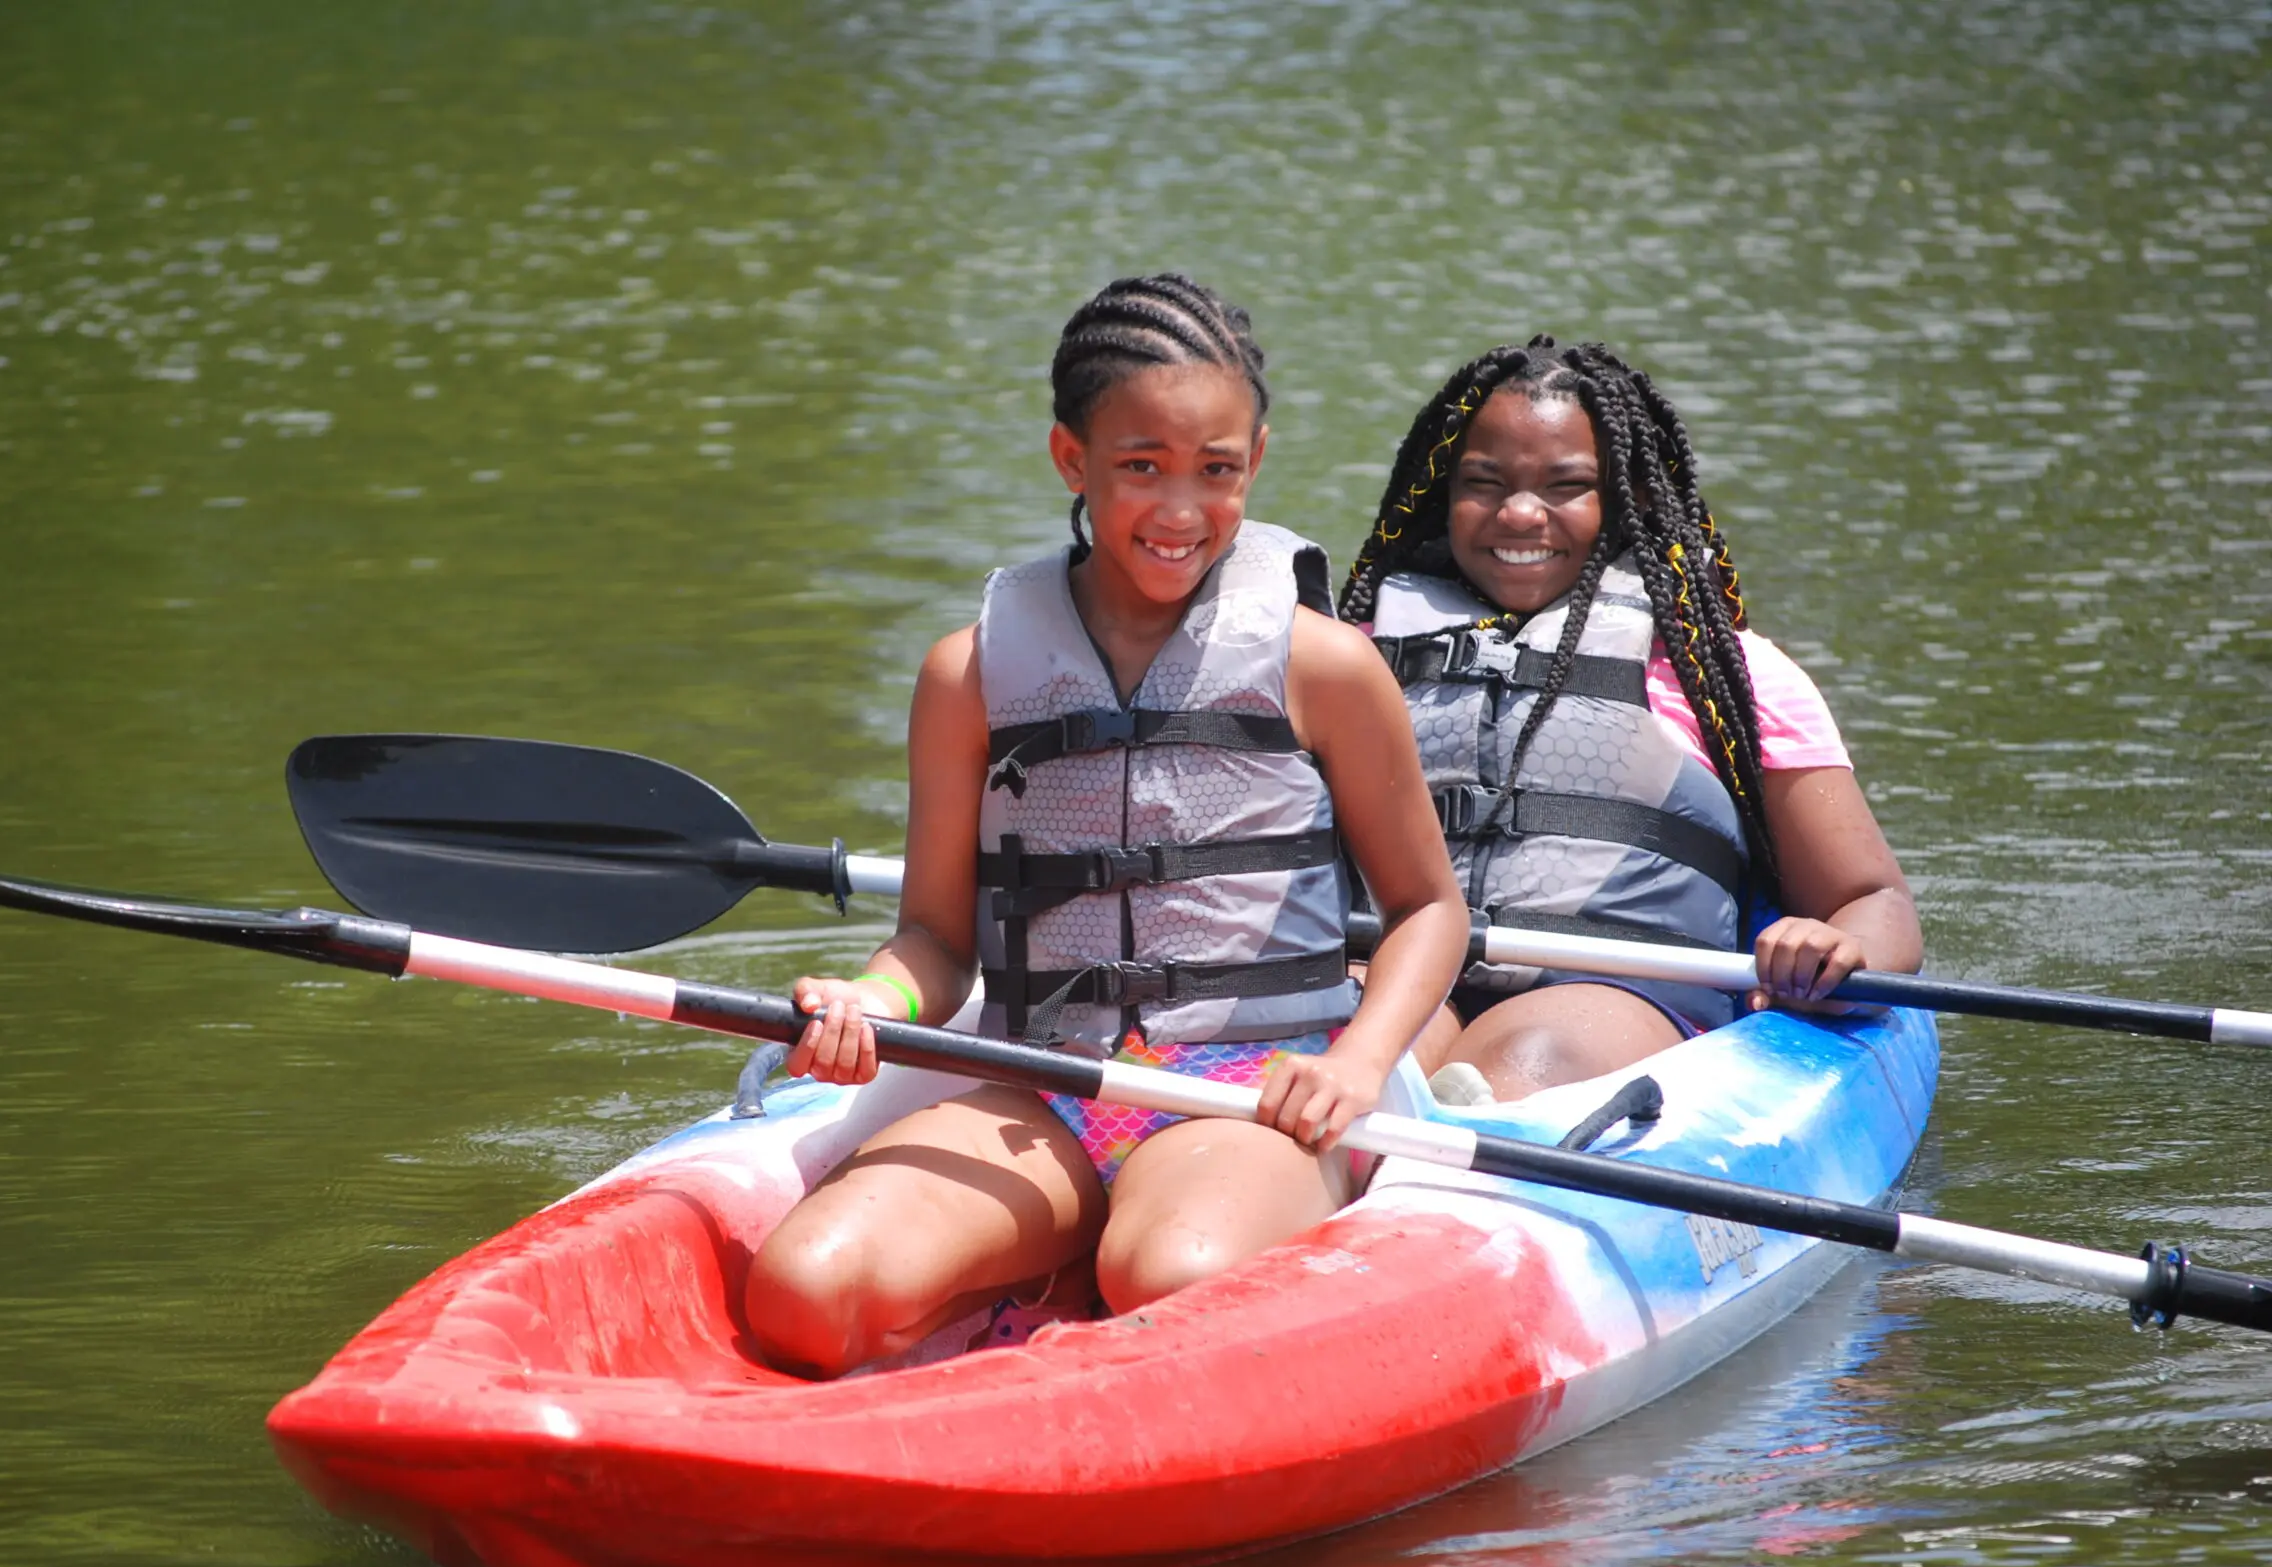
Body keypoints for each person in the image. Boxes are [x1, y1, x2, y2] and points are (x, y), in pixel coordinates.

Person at [743, 275, 1473, 1379]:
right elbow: (937, 941)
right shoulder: (969, 674)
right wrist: (867, 1000)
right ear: (1069, 460)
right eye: (1141, 467)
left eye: (1216, 471)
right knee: (808, 1291)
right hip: (1046, 1083)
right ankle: (1040, 1276)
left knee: (1170, 1280)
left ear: (1256, 462)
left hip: (1250, 1093)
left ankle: (1090, 1276)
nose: (1180, 510)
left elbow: (1427, 910)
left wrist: (1361, 1062)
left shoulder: (1324, 664)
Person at [1335, 336, 1924, 1103]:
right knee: (1364, 1049)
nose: (1518, 512)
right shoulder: (1352, 658)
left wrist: (1834, 946)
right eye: (1484, 483)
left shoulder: (1726, 678)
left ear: (1628, 498)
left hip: (1618, 996)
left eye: (1565, 485)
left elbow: (1874, 903)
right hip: (1392, 972)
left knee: (1527, 1062)